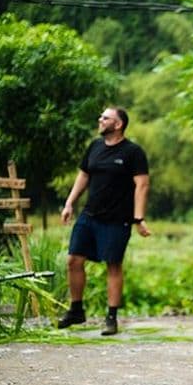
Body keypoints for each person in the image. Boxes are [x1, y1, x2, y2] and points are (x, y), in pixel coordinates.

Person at [57, 106, 151, 336]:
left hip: (117, 220)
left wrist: (138, 218)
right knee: (73, 260)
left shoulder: (133, 152)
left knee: (113, 265)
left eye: (106, 118)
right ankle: (76, 310)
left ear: (118, 124)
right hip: (89, 215)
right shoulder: (95, 147)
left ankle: (111, 317)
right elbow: (84, 175)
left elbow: (142, 185)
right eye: (101, 116)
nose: (100, 119)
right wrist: (69, 203)